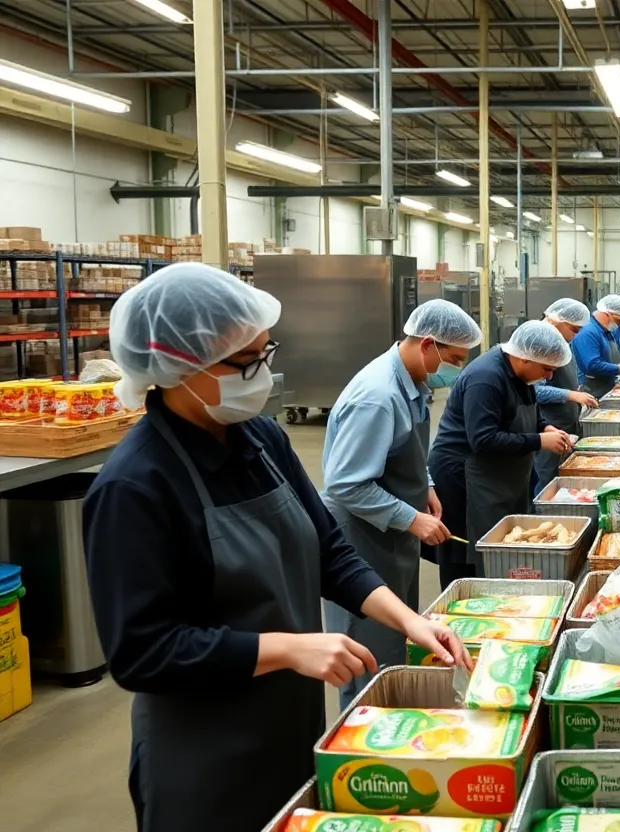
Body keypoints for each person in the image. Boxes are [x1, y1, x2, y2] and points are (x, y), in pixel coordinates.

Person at [82, 264, 470, 832]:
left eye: (268, 352)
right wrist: (288, 649)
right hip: (203, 749)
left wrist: (408, 619)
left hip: (287, 720)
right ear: (180, 365)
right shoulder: (135, 486)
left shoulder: (261, 440)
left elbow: (329, 552)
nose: (263, 373)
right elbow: (142, 651)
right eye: (247, 361)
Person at [321, 299, 481, 709]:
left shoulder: (413, 385)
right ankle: (366, 744)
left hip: (391, 536)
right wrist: (410, 518)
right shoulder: (378, 397)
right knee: (371, 652)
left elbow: (401, 450)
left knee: (397, 637)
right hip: (362, 538)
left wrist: (423, 483)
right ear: (429, 345)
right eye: (456, 360)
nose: (457, 371)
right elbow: (346, 485)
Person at [428, 321, 574, 585]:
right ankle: (463, 606)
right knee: (469, 553)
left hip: (500, 472)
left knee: (502, 542)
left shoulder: (522, 375)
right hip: (467, 475)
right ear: (524, 357)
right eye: (546, 369)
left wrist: (545, 426)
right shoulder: (485, 379)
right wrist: (539, 440)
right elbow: (483, 439)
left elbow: (533, 410)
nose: (549, 377)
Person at [533, 299, 599, 494]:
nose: (575, 336)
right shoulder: (539, 343)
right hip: (550, 424)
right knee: (547, 480)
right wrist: (570, 394)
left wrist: (577, 390)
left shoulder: (561, 342)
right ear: (556, 320)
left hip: (565, 422)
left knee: (558, 477)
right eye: (574, 330)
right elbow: (535, 391)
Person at [571, 294, 620, 398]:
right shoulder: (588, 332)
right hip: (592, 389)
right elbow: (592, 365)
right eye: (619, 321)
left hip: (606, 386)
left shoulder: (605, 330)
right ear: (608, 314)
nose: (619, 325)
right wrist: (619, 368)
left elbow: (610, 356)